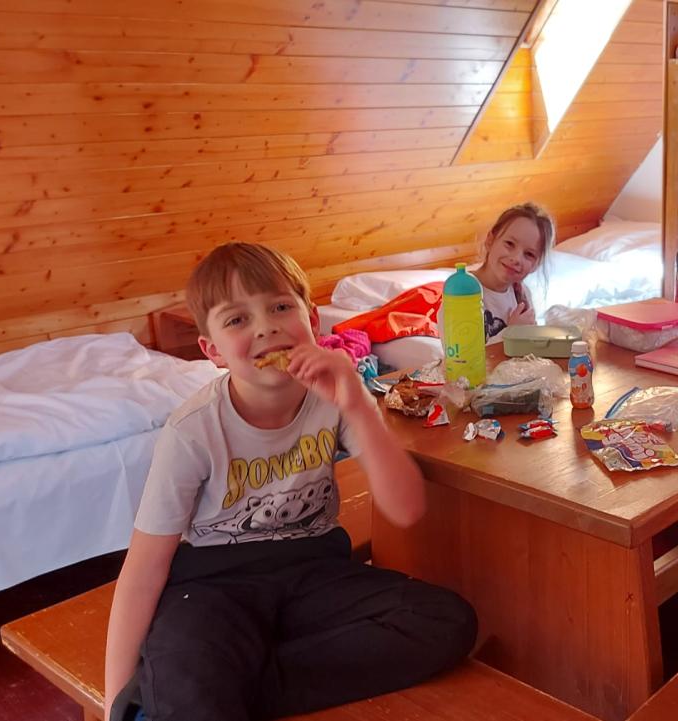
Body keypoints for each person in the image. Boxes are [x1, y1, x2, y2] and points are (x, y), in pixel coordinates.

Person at [103, 243, 477, 721]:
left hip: (313, 569)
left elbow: (405, 509)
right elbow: (143, 570)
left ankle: (235, 686)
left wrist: (357, 405)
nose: (265, 327)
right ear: (213, 351)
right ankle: (212, 684)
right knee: (187, 671)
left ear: (312, 321)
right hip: (213, 584)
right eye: (237, 319)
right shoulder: (192, 430)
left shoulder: (336, 398)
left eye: (280, 307)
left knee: (444, 620)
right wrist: (114, 702)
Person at [468, 202, 555, 340]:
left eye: (529, 254)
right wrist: (512, 333)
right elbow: (463, 353)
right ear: (490, 240)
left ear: (536, 265)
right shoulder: (463, 292)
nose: (516, 259)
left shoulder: (522, 294)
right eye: (509, 244)